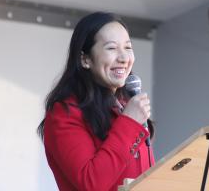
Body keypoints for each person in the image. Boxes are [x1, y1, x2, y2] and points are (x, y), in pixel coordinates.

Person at [37, 12, 155, 191]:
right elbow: (91, 183)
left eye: (128, 47)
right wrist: (129, 122)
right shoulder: (65, 113)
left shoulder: (123, 108)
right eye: (111, 48)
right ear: (85, 59)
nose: (124, 58)